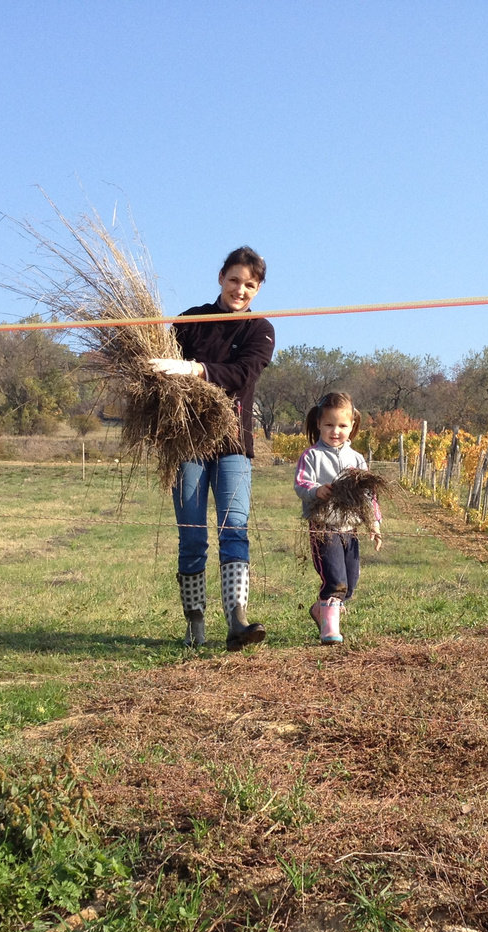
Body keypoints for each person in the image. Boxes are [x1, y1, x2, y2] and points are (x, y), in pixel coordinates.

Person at [148, 247, 275, 650]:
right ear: (221, 277)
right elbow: (158, 373)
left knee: (234, 528)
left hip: (233, 444)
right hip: (186, 443)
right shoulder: (188, 322)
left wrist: (195, 369)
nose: (241, 289)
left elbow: (242, 374)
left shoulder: (260, 330)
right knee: (191, 535)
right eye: (235, 280)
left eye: (250, 285)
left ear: (258, 289)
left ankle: (237, 620)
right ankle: (194, 621)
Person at [292, 392, 382, 645]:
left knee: (350, 582)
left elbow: (368, 495)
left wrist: (374, 525)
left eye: (342, 425)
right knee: (334, 578)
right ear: (319, 424)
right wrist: (315, 491)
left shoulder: (357, 459)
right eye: (329, 425)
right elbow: (300, 484)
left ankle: (321, 609)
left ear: (352, 426)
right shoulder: (311, 456)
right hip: (323, 526)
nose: (335, 431)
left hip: (350, 527)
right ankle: (329, 629)